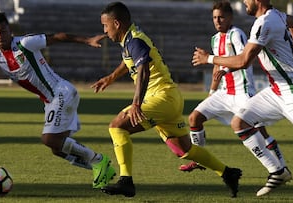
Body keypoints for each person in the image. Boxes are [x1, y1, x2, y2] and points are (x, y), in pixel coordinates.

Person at [91, 1, 242, 198]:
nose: (104, 29)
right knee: (183, 149)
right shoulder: (130, 40)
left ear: (117, 24)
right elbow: (130, 61)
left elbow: (143, 69)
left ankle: (125, 180)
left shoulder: (135, 40)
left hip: (161, 98)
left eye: (106, 25)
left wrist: (137, 103)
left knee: (117, 126)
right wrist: (111, 77)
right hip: (169, 99)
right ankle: (227, 172)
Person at [0, 12, 116, 189]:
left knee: (49, 139)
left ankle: (98, 160)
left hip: (62, 92)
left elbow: (58, 37)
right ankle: (101, 168)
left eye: (3, 31)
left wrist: (87, 40)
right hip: (51, 101)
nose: (0, 36)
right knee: (57, 148)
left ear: (9, 31)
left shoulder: (25, 44)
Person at [192, 0, 293, 197]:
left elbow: (243, 61)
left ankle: (279, 170)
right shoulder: (277, 15)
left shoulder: (264, 23)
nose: (244, 2)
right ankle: (278, 171)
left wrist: (209, 58)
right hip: (276, 90)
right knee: (239, 122)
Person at [180, 1, 288, 177]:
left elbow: (244, 60)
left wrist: (226, 69)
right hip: (224, 93)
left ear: (230, 17)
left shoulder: (236, 34)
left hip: (242, 92)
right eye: (215, 17)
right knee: (194, 119)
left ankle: (282, 166)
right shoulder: (215, 39)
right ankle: (198, 159)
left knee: (260, 131)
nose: (218, 21)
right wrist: (211, 94)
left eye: (221, 17)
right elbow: (216, 65)